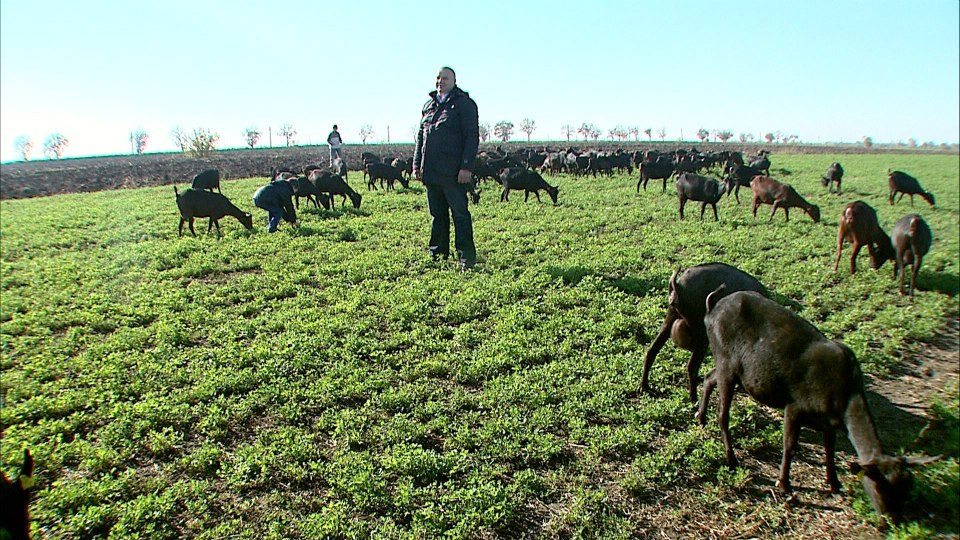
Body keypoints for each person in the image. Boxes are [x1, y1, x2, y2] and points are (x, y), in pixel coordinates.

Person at [413, 66, 479, 271]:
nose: (441, 81)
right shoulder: (428, 106)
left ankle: (466, 257)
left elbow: (471, 137)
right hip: (431, 171)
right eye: (438, 78)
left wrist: (466, 167)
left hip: (453, 172)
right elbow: (421, 138)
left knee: (460, 214)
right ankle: (437, 254)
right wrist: (417, 164)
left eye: (446, 78)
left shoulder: (463, 104)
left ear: (454, 81)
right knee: (437, 215)